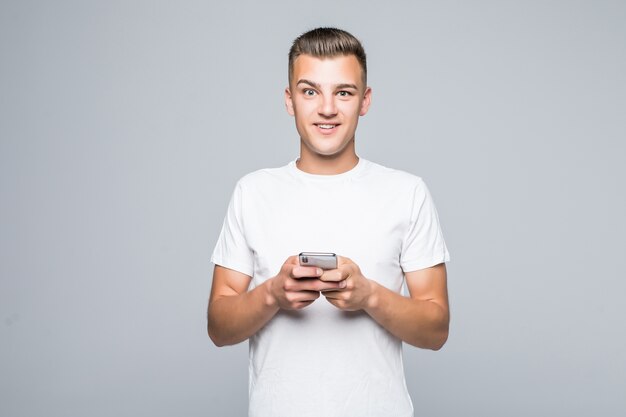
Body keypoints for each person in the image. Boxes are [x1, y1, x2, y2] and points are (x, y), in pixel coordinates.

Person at [207, 27, 450, 417]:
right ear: (290, 100)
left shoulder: (407, 193)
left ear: (364, 100)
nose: (326, 109)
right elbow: (219, 326)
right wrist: (272, 294)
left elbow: (436, 329)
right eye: (309, 91)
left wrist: (369, 296)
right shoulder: (252, 192)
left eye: (343, 92)